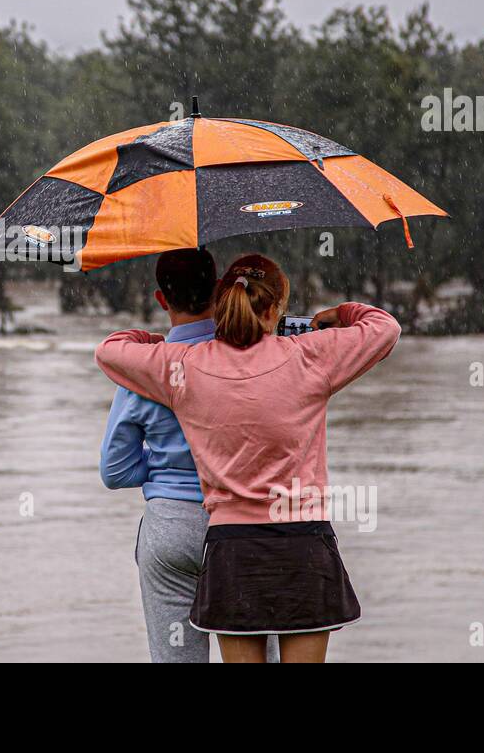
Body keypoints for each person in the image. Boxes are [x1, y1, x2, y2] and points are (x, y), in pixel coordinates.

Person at [94, 253, 400, 663]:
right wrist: (341, 313)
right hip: (303, 542)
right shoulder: (310, 356)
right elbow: (385, 328)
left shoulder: (184, 365)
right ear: (273, 308)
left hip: (224, 542)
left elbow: (109, 352)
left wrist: (152, 341)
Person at [99, 248, 278, 664]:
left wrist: (164, 467)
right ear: (219, 290)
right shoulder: (253, 357)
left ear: (162, 299)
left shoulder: (143, 369)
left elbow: (114, 470)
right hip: (241, 523)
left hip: (170, 528)